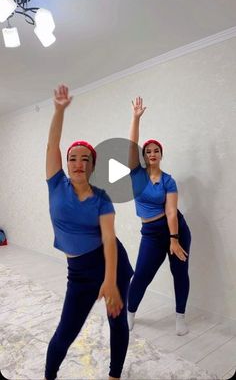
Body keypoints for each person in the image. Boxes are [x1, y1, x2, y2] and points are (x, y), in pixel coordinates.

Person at [44, 85, 133, 380]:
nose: (78, 163)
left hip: (111, 264)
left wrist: (110, 282)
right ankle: (49, 376)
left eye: (85, 159)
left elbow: (109, 239)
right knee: (65, 331)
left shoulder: (102, 198)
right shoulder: (56, 184)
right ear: (66, 163)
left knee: (116, 321)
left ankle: (114, 376)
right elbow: (52, 144)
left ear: (92, 165)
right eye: (73, 158)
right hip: (79, 271)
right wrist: (59, 111)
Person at [127, 96, 191, 336]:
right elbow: (131, 146)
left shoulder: (168, 180)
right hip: (152, 234)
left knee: (180, 272)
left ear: (161, 155)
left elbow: (172, 211)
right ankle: (130, 313)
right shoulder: (136, 174)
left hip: (176, 229)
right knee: (142, 274)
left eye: (157, 151)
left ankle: (180, 317)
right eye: (149, 151)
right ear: (144, 156)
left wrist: (174, 239)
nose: (152, 153)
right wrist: (135, 118)